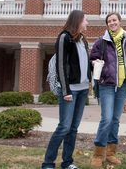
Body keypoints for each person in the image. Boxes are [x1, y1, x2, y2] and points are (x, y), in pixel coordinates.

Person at [42, 10, 91, 169]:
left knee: (73, 128)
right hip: (70, 90)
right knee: (64, 127)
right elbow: (61, 65)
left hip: (83, 89)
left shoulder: (83, 40)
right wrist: (65, 91)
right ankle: (48, 163)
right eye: (85, 20)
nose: (87, 23)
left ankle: (67, 162)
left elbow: (82, 63)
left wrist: (93, 65)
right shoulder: (65, 38)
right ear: (78, 21)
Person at [89, 12, 126, 167]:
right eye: (109, 21)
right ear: (107, 24)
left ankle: (111, 154)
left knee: (115, 119)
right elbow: (92, 58)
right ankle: (97, 154)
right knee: (106, 118)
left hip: (123, 84)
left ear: (120, 21)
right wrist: (94, 62)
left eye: (114, 20)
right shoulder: (101, 41)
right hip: (106, 84)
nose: (112, 23)